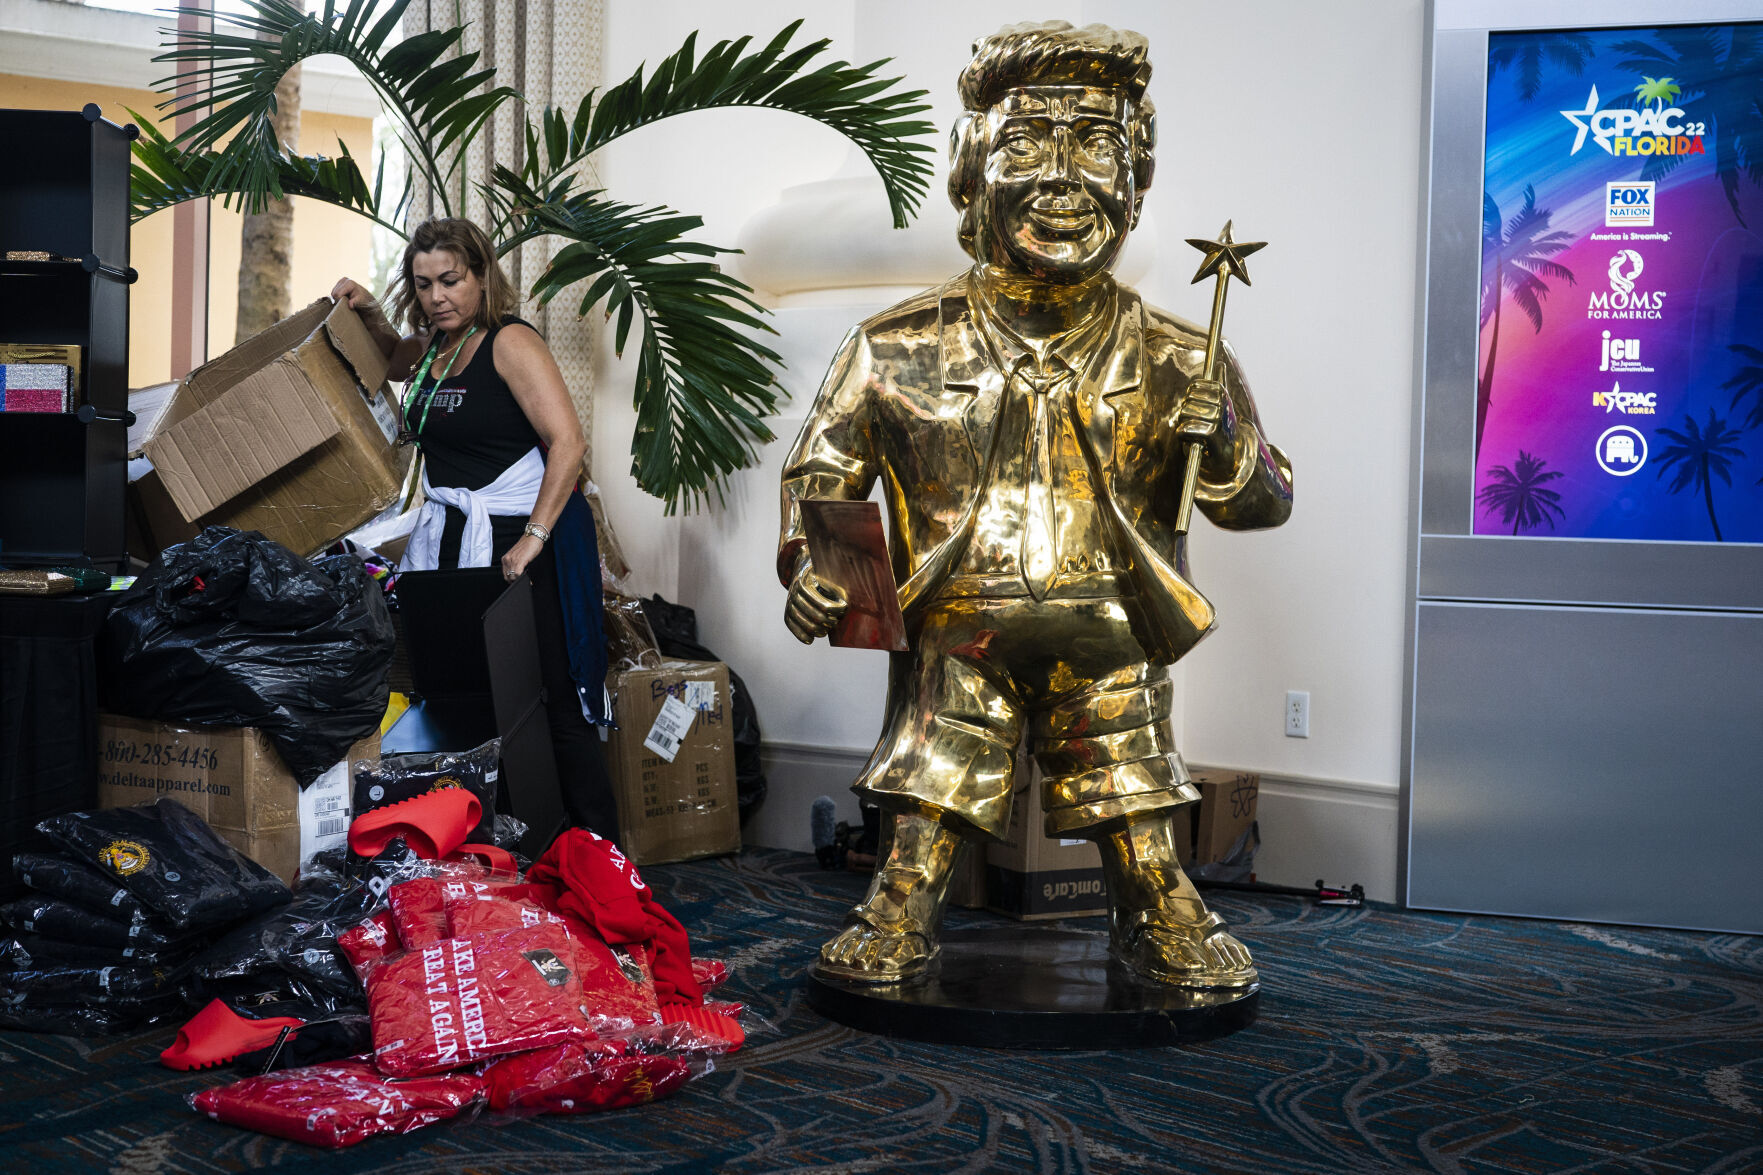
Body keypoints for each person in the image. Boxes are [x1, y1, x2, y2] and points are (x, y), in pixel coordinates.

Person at [778, 22, 1293, 987]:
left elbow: (1260, 502)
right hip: (953, 630)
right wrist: (814, 568)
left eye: (1095, 145)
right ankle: (901, 901)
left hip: (1113, 629)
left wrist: (1226, 439)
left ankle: (1155, 902)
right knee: (932, 773)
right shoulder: (892, 347)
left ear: (1133, 180)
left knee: (1130, 777)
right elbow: (822, 477)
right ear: (971, 171)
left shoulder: (1181, 357)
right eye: (1024, 145)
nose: (1062, 179)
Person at [334, 216, 616, 837]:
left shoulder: (509, 342)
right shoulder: (433, 347)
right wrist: (371, 315)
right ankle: (512, 845)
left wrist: (533, 539)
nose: (438, 296)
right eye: (424, 284)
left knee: (552, 700)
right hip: (458, 540)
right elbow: (395, 361)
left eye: (451, 280)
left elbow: (568, 442)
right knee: (475, 698)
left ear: (482, 277)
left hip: (525, 539)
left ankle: (602, 851)